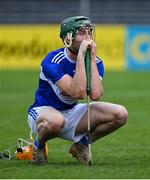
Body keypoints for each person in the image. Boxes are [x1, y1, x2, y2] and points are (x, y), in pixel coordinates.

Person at [27, 16, 128, 165]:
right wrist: (81, 56)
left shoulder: (97, 62)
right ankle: (39, 146)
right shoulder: (53, 60)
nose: (88, 38)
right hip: (44, 111)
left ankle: (81, 145)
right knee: (55, 121)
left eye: (90, 32)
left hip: (71, 111)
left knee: (120, 114)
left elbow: (95, 95)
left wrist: (91, 59)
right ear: (68, 38)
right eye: (81, 32)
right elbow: (78, 93)